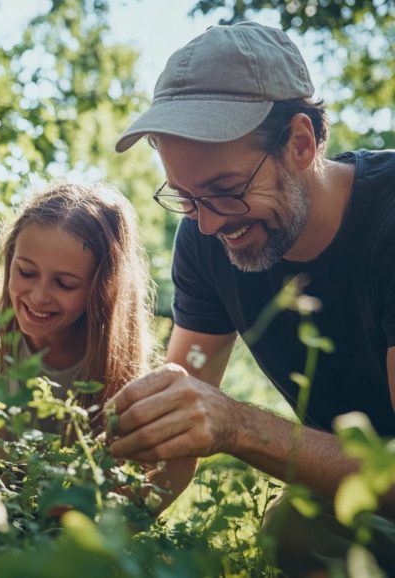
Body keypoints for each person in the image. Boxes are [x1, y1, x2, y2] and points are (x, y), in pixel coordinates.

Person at [111, 21, 395, 575]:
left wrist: (240, 426)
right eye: (188, 198)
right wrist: (90, 539)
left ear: (301, 142)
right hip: (364, 496)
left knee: (294, 526)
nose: (211, 223)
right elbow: (182, 419)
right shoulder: (204, 239)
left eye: (227, 191)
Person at [0, 183, 192, 503]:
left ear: (103, 289)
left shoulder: (119, 367)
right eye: (26, 272)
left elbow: (135, 483)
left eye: (65, 284)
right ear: (10, 259)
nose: (39, 296)